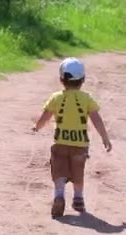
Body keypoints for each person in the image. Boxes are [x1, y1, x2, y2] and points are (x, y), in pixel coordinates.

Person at [32, 57, 112, 218]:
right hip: (80, 146)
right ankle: (78, 198)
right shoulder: (86, 99)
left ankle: (59, 195)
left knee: (59, 171)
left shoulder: (56, 98)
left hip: (60, 143)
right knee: (78, 172)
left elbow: (45, 116)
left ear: (61, 80)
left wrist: (37, 127)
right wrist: (105, 137)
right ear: (83, 79)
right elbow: (96, 119)